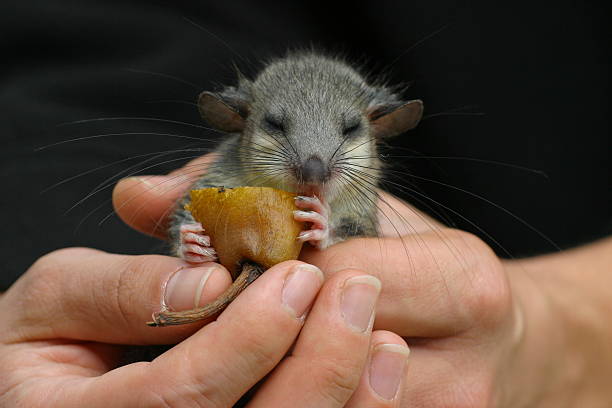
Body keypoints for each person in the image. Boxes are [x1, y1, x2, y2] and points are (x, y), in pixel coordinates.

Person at [1, 1, 610, 407]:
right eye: (279, 132)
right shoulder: (224, 176)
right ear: (235, 122)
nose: (315, 165)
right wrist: (190, 243)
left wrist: (546, 337)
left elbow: (351, 245)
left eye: (345, 135)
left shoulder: (357, 197)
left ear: (377, 127)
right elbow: (186, 220)